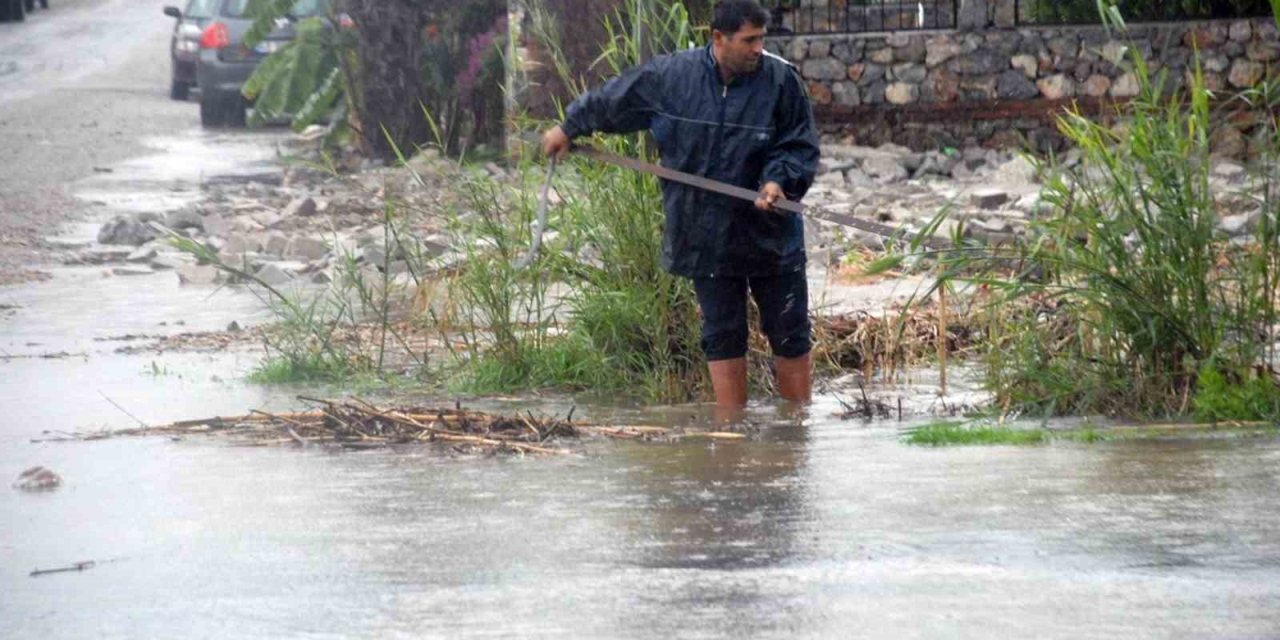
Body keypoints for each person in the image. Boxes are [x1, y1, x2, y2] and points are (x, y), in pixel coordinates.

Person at [541, 0, 820, 412]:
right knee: (722, 336)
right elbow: (615, 99)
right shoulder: (671, 77)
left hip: (771, 236)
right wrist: (569, 126)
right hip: (703, 234)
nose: (758, 48)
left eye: (762, 38)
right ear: (718, 38)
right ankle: (731, 434)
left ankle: (798, 429)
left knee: (790, 332)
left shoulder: (782, 81)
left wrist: (779, 181)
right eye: (749, 40)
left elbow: (799, 145)